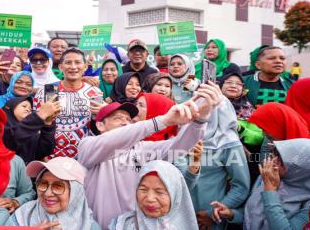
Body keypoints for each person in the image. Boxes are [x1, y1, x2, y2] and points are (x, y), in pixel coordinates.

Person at [78, 82, 222, 228]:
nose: (125, 123)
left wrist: (201, 117)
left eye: (128, 120)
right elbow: (112, 141)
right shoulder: (88, 146)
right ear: (100, 125)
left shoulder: (142, 149)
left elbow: (179, 146)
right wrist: (164, 120)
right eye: (117, 118)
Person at [175, 92, 250, 230]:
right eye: (198, 108)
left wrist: (212, 213)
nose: (201, 114)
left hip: (210, 219)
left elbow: (241, 186)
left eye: (207, 109)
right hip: (178, 214)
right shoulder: (184, 135)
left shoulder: (229, 143)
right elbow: (181, 179)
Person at [210, 139, 310, 230]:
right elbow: (254, 215)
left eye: (282, 160)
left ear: (301, 170)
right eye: (275, 155)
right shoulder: (269, 177)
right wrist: (231, 214)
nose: (273, 161)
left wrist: (270, 192)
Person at [33, 48, 103, 159]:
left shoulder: (94, 93)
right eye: (68, 62)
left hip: (82, 158)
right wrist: (42, 155)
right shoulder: (48, 90)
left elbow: (97, 128)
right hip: (49, 157)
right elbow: (37, 124)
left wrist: (103, 113)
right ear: (60, 67)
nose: (73, 67)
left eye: (78, 62)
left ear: (85, 67)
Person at [6, 157, 101, 229]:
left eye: (58, 187)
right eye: (43, 184)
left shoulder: (89, 226)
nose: (47, 193)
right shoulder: (23, 214)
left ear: (76, 193)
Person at [109, 160, 198, 230]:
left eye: (159, 192)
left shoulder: (184, 226)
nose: (150, 199)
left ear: (175, 196)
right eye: (143, 190)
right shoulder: (122, 225)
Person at [3, 96, 58, 164]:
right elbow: (13, 140)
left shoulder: (32, 132)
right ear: (10, 107)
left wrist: (48, 124)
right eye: (24, 106)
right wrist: (41, 114)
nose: (28, 110)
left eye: (30, 109)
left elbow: (44, 151)